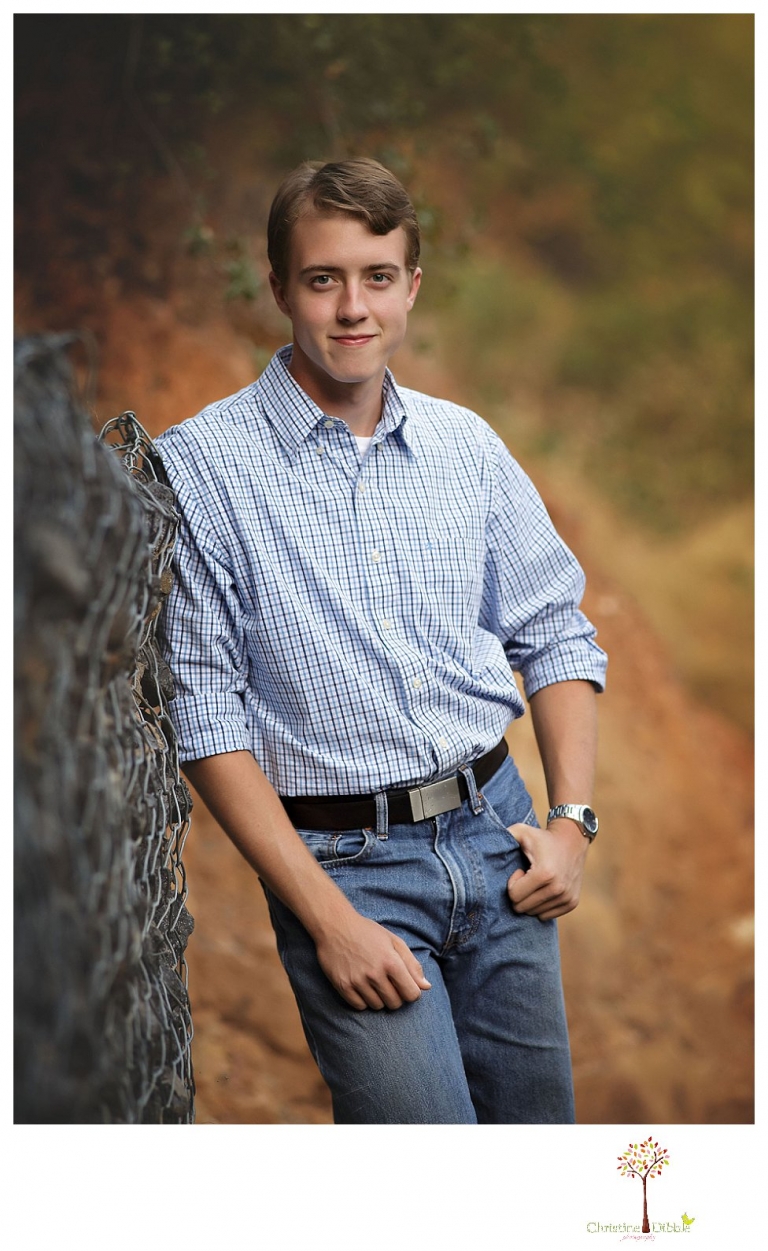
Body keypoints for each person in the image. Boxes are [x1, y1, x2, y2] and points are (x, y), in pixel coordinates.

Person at [156, 158, 607, 1124]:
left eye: (375, 276)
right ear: (279, 286)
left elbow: (555, 632)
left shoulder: (465, 447)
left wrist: (571, 823)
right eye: (324, 279)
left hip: (501, 839)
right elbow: (204, 712)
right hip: (345, 870)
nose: (352, 307)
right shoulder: (201, 469)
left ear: (411, 285)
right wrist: (326, 919)